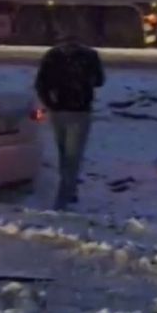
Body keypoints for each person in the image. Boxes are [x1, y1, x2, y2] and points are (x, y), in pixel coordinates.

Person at [34, 34, 106, 211]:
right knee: (73, 155)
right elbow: (99, 81)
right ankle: (66, 194)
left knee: (63, 152)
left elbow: (40, 84)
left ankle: (68, 190)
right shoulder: (89, 55)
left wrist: (51, 103)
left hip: (59, 110)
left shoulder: (52, 56)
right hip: (80, 110)